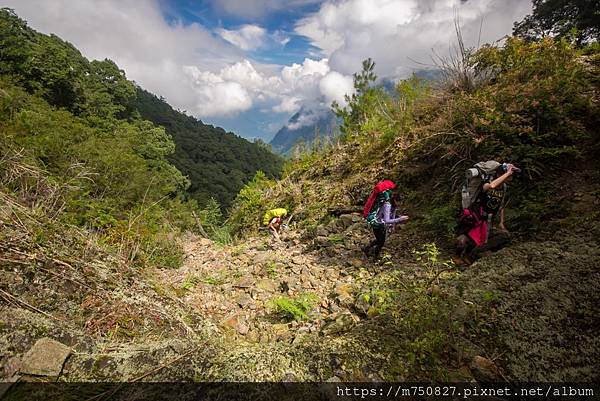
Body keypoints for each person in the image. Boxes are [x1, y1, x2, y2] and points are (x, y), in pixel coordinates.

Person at [455, 162, 519, 265]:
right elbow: (491, 186)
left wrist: (501, 222)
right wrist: (507, 174)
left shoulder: (504, 187)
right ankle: (457, 256)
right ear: (500, 174)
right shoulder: (488, 181)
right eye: (509, 175)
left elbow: (501, 205)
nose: (511, 177)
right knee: (466, 237)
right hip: (476, 214)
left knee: (478, 239)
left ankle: (467, 255)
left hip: (488, 218)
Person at [362, 180, 409, 259]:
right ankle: (375, 257)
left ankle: (367, 249)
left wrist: (392, 226)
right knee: (381, 242)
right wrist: (400, 219)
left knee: (379, 240)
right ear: (395, 200)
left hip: (381, 224)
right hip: (377, 224)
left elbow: (392, 216)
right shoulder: (387, 205)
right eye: (399, 202)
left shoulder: (393, 205)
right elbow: (387, 220)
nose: (400, 204)